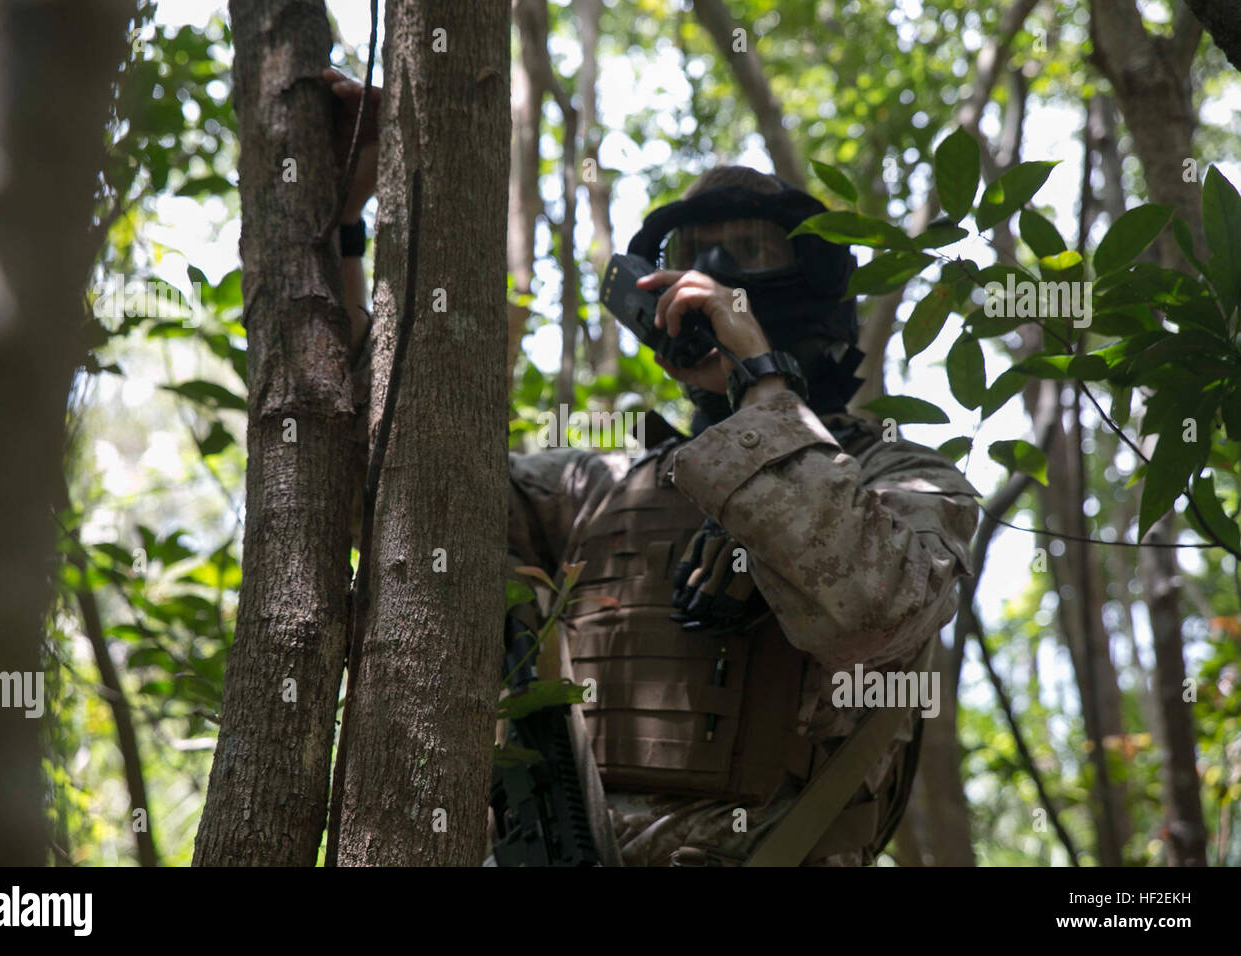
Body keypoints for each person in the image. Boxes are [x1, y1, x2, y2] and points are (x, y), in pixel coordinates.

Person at [327, 71, 981, 866]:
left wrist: (759, 382)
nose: (708, 274)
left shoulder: (904, 479)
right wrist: (345, 226)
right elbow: (391, 489)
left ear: (809, 287)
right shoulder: (593, 487)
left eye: (746, 252)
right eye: (686, 255)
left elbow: (869, 612)